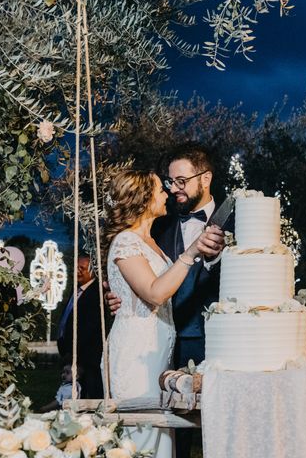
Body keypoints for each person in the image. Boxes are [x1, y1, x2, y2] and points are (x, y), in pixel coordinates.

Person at [107, 145, 226, 458]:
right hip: (150, 355)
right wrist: (119, 298)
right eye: (167, 185)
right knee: (151, 438)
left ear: (205, 178)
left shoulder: (238, 220)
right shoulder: (156, 230)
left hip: (217, 344)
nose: (172, 190)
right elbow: (150, 286)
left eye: (179, 182)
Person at [57, 255, 104, 399]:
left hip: (87, 356)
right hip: (70, 352)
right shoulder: (76, 289)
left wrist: (74, 352)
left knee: (88, 393)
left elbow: (90, 326)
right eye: (75, 267)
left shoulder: (97, 292)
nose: (77, 271)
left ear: (93, 272)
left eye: (82, 268)